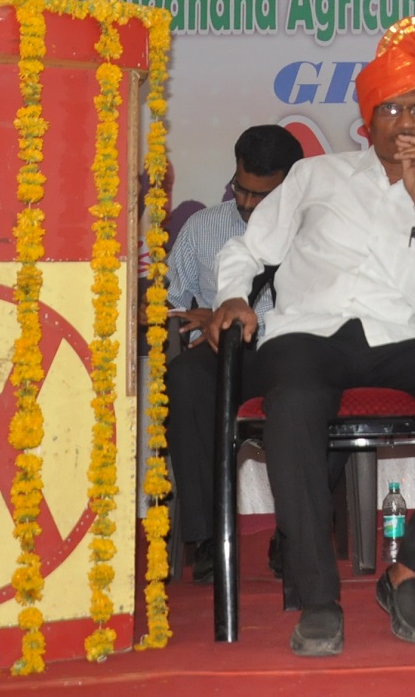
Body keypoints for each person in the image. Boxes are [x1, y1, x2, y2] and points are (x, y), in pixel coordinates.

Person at [206, 17, 415, 655]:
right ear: (367, 123)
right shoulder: (315, 178)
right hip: (308, 334)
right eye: (391, 109)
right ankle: (318, 598)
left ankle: (413, 573)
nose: (406, 122)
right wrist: (233, 295)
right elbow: (247, 250)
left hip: (403, 340)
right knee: (293, 400)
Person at [164, 125, 303, 585]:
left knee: (317, 383)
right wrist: (204, 315)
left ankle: (296, 533)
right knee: (185, 377)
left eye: (260, 196)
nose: (246, 203)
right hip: (225, 352)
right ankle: (209, 538)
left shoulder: (318, 230)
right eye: (240, 188)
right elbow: (166, 304)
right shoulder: (204, 228)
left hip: (295, 353)